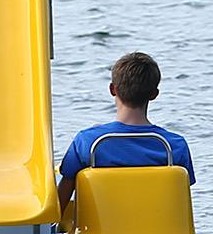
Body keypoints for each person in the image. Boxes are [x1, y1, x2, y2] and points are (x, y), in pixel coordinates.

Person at [56, 51, 195, 218]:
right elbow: (180, 200)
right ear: (154, 94)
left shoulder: (88, 141)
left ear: (112, 89)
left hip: (101, 230)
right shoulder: (174, 146)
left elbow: (61, 200)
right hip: (159, 229)